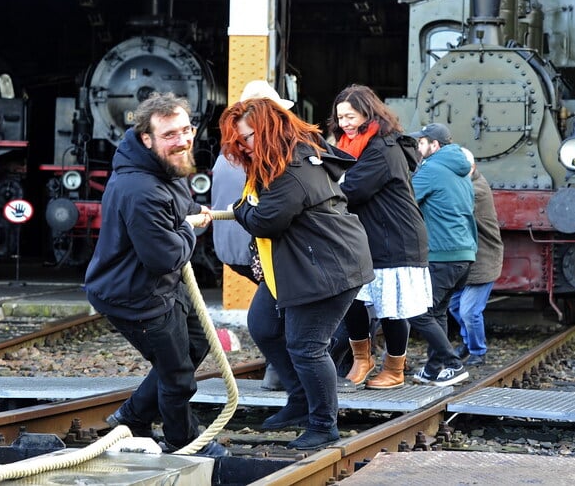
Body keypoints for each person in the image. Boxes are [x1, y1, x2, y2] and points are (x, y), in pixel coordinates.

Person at [221, 97, 374, 451]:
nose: (246, 145)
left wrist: (240, 208)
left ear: (270, 128)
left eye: (250, 136)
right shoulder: (284, 159)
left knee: (307, 346)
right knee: (263, 325)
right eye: (241, 139)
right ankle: (301, 400)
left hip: (327, 267)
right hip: (299, 265)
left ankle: (324, 424)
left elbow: (265, 221)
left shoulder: (293, 165)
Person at [84, 92, 227, 458]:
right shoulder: (142, 189)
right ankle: (185, 443)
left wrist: (194, 212)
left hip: (158, 288)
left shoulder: (165, 166)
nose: (181, 141)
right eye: (169, 135)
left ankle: (132, 417)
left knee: (198, 342)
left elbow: (178, 207)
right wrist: (188, 229)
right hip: (135, 297)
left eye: (186, 130)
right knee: (178, 376)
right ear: (146, 139)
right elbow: (164, 257)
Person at [328, 84, 432, 390]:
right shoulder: (351, 145)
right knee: (353, 299)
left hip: (395, 236)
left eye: (350, 116)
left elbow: (350, 190)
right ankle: (363, 358)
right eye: (340, 117)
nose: (344, 122)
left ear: (367, 113)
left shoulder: (383, 148)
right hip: (367, 236)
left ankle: (394, 369)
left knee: (391, 306)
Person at [210, 79, 295, 391]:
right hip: (259, 248)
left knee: (275, 309)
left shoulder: (228, 149)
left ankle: (283, 372)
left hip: (229, 248)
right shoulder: (265, 151)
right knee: (285, 309)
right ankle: (284, 373)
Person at [407, 123, 476, 387]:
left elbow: (405, 200)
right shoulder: (461, 172)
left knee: (418, 312)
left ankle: (453, 364)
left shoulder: (432, 169)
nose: (419, 148)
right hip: (463, 253)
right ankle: (434, 369)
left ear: (434, 145)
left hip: (442, 253)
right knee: (437, 312)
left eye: (422, 143)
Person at [450, 148, 504, 367]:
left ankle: (477, 351)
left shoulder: (476, 190)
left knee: (469, 311)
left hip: (483, 260)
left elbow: (451, 206)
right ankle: (467, 341)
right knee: (454, 305)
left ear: (470, 169)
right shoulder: (467, 182)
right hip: (468, 260)